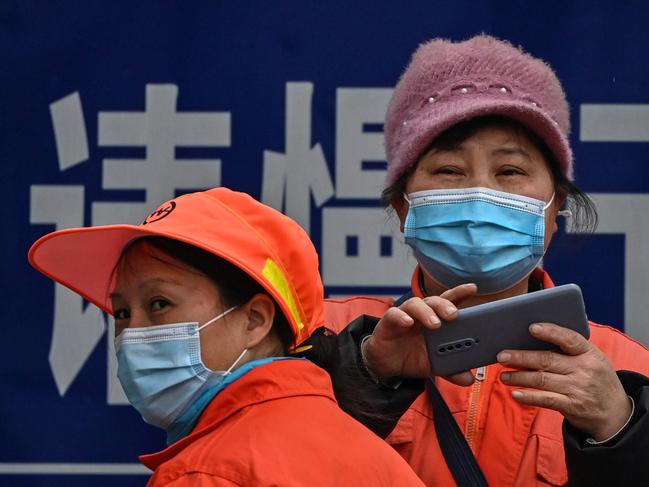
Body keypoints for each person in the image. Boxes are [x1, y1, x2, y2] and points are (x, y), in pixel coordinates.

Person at [314, 35, 649, 487]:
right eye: (449, 171)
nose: (479, 194)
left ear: (555, 209)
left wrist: (620, 432)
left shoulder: (627, 371)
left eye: (510, 171)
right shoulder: (326, 338)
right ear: (403, 208)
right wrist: (366, 377)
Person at [29, 187, 425, 486]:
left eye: (160, 304)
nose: (132, 333)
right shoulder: (374, 457)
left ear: (254, 320)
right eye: (120, 312)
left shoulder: (208, 472)